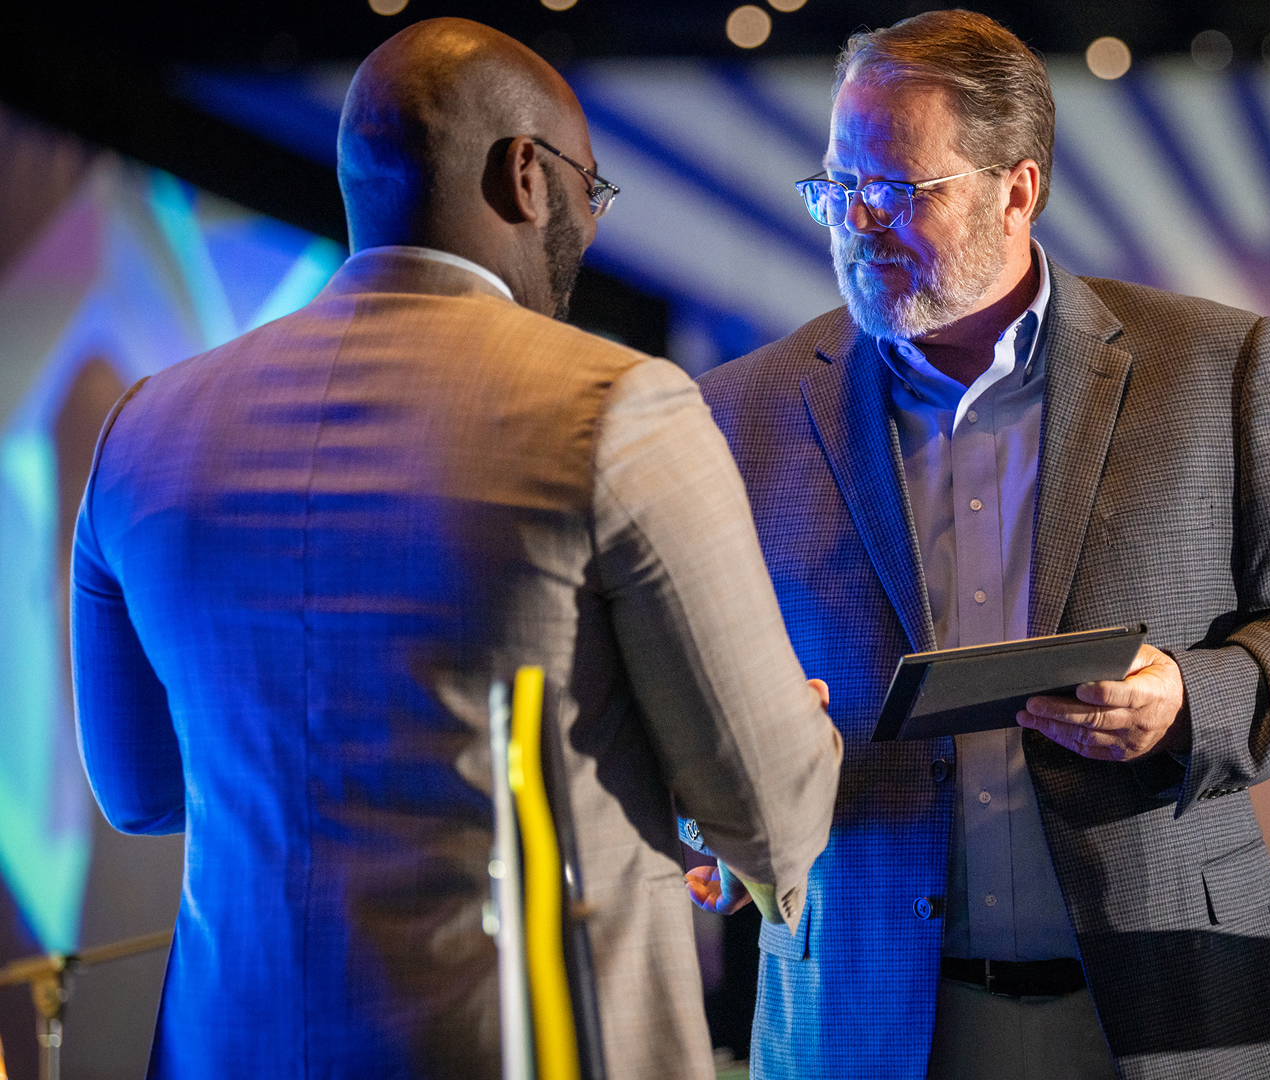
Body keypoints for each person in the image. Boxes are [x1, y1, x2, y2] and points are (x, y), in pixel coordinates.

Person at [69, 18, 841, 1078]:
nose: (589, 222)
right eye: (590, 189)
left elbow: (142, 790)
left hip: (232, 1047)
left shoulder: (143, 429)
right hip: (525, 1045)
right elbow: (768, 813)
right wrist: (792, 728)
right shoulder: (621, 407)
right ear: (526, 175)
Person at [692, 10, 1270, 1080]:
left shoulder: (1210, 365)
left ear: (1015, 191)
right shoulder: (743, 410)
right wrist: (708, 813)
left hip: (1161, 1006)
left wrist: (1191, 698)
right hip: (866, 1014)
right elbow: (682, 690)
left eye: (895, 190)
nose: (855, 223)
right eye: (837, 187)